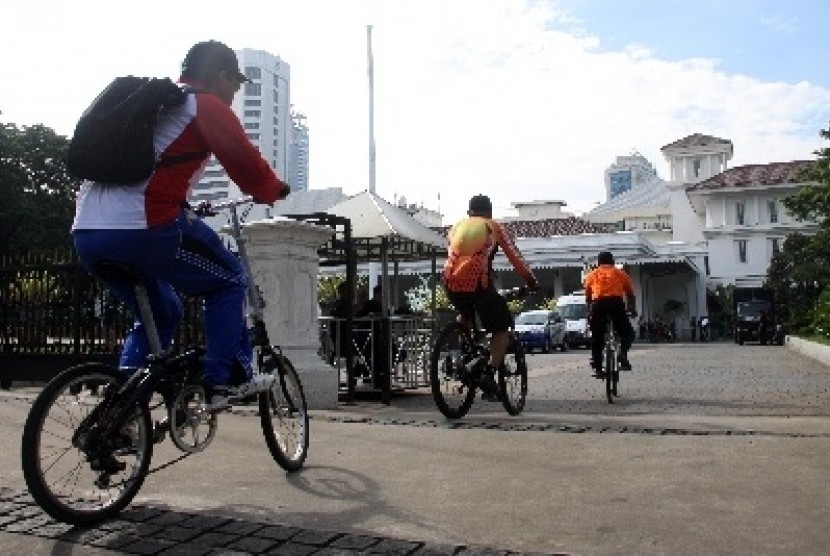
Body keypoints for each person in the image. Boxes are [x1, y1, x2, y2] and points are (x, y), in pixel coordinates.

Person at [71, 40, 289, 410]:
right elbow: (249, 167)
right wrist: (274, 190)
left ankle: (122, 410)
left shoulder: (154, 106)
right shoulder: (203, 105)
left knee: (163, 312)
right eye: (235, 83)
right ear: (220, 77)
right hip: (143, 227)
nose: (235, 92)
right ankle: (223, 381)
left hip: (87, 232)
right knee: (229, 280)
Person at [443, 194, 538, 400]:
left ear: (469, 213)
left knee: (465, 315)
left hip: (450, 282)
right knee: (500, 329)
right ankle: (489, 372)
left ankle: (464, 357)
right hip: (478, 283)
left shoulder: (455, 227)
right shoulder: (492, 226)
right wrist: (531, 281)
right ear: (490, 212)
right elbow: (515, 257)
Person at [583, 251, 636, 378]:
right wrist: (632, 310)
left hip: (598, 305)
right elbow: (630, 295)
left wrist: (590, 312)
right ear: (612, 262)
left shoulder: (592, 275)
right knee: (628, 333)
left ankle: (598, 368)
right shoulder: (621, 273)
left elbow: (588, 298)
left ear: (598, 263)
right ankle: (622, 354)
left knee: (597, 338)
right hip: (616, 304)